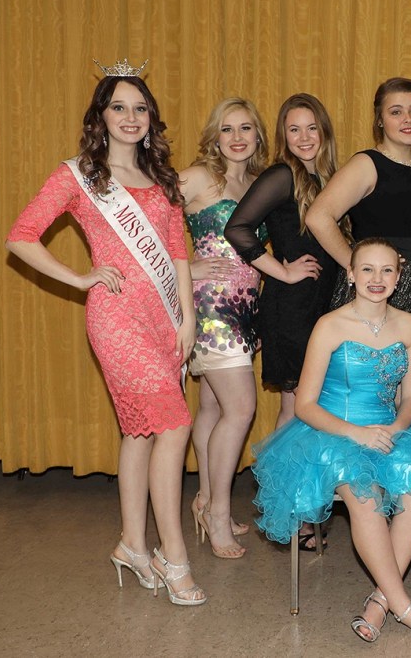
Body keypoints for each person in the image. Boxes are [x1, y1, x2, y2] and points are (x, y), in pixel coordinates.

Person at [6, 61, 205, 605]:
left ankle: (132, 545)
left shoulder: (163, 180)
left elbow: (178, 253)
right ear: (101, 115)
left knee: (140, 432)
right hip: (116, 319)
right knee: (174, 425)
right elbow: (21, 236)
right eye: (119, 106)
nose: (130, 117)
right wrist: (79, 278)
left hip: (165, 318)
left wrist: (187, 318)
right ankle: (174, 555)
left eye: (140, 108)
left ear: (151, 118)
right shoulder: (78, 176)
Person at [251, 238, 411, 643]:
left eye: (386, 270)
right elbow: (305, 405)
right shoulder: (330, 325)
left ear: (398, 277)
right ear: (350, 274)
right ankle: (407, 610)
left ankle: (379, 601)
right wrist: (356, 433)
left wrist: (396, 429)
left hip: (388, 428)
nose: (376, 278)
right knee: (364, 495)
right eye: (367, 269)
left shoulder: (408, 325)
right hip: (332, 432)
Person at [224, 94, 338, 552]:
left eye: (312, 128)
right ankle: (287, 514)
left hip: (323, 307)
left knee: (311, 410)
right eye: (294, 129)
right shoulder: (282, 175)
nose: (304, 138)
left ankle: (299, 511)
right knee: (296, 411)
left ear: (324, 131)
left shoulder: (329, 176)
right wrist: (282, 270)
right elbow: (237, 228)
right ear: (282, 136)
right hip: (292, 308)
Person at [306, 78, 411, 395]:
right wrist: (358, 269)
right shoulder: (367, 163)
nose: (407, 119)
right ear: (380, 120)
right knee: (376, 391)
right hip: (386, 291)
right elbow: (318, 217)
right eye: (396, 111)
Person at [179, 97, 268, 559]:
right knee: (241, 408)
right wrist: (185, 268)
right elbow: (147, 221)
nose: (237, 138)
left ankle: (206, 499)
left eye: (245, 128)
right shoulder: (197, 177)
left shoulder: (256, 183)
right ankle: (217, 515)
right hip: (211, 308)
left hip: (246, 309)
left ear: (257, 136)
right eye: (227, 129)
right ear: (214, 137)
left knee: (213, 408)